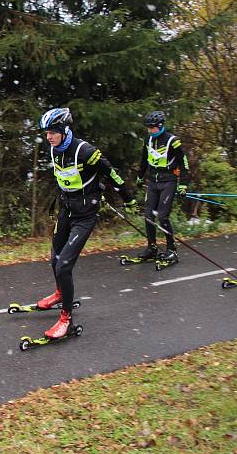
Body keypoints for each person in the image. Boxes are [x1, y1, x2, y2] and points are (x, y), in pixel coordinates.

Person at [36, 108, 136, 338]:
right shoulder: (54, 149)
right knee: (54, 258)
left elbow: (110, 173)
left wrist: (128, 198)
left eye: (52, 132)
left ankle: (66, 319)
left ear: (63, 130)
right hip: (66, 209)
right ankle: (61, 293)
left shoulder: (84, 151)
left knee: (64, 266)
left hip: (85, 215)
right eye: (46, 133)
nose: (48, 137)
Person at [135, 110, 190, 263]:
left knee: (162, 216)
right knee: (148, 216)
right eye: (148, 128)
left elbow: (183, 163)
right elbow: (144, 159)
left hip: (168, 181)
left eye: (152, 128)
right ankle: (152, 248)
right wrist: (140, 176)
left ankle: (171, 249)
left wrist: (183, 184)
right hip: (153, 181)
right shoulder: (148, 140)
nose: (149, 130)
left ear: (160, 126)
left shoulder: (173, 141)